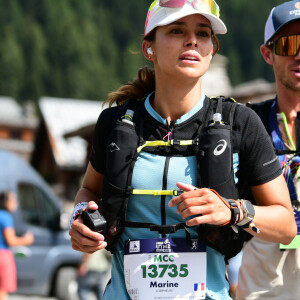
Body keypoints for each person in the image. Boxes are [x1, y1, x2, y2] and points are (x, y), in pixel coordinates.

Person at [69, 1, 297, 299]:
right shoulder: (115, 123)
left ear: (211, 49)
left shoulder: (241, 122)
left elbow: (285, 225)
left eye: (202, 34)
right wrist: (79, 219)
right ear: (149, 47)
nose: (192, 40)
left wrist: (231, 210)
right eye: (177, 30)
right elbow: (88, 191)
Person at [236, 1, 300, 299]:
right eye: (289, 43)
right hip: (264, 286)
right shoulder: (248, 124)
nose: (299, 53)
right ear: (267, 53)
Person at [0, 190, 34, 300]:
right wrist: (26, 240)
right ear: (5, 202)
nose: (16, 203)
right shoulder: (5, 217)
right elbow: (11, 240)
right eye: (13, 199)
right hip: (3, 256)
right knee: (2, 291)